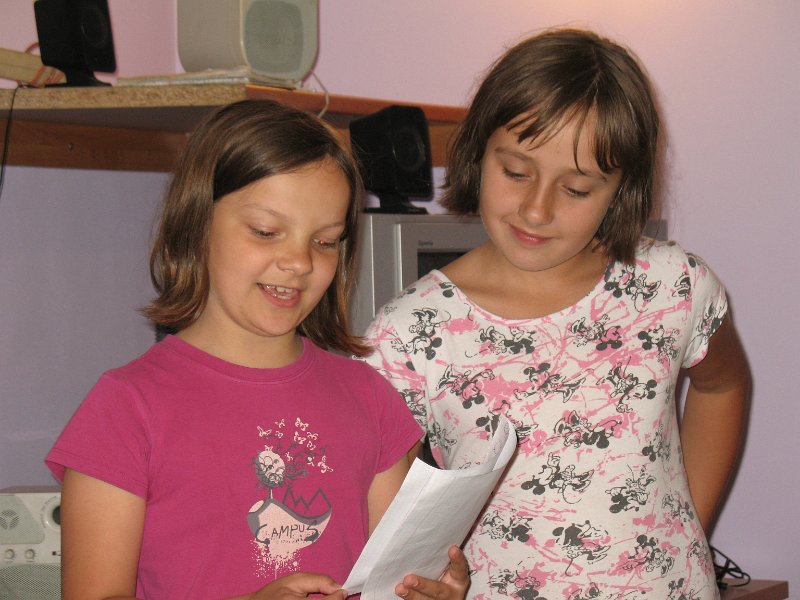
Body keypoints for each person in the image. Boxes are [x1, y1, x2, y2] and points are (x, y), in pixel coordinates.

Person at [362, 28, 749, 599]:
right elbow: (392, 543)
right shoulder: (408, 334)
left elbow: (723, 386)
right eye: (516, 173)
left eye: (576, 189)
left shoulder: (673, 286)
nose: (536, 209)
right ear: (478, 152)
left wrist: (689, 526)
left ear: (620, 190)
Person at [45, 99, 469, 600]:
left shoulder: (369, 396)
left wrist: (429, 591)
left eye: (325, 241)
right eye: (267, 233)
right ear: (196, 224)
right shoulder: (125, 406)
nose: (298, 262)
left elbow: (392, 580)